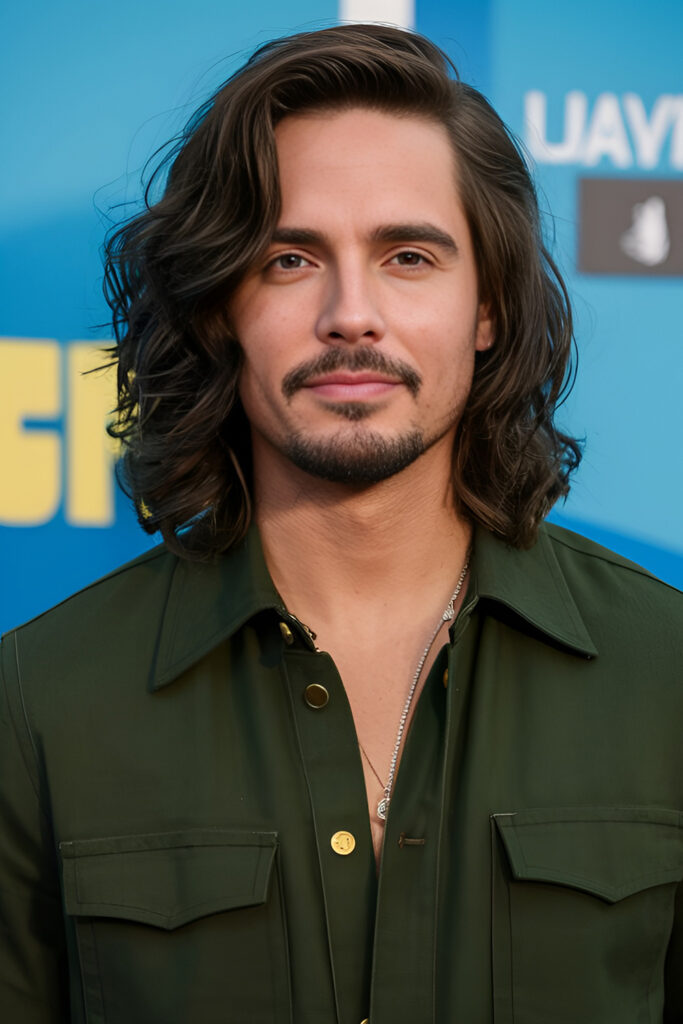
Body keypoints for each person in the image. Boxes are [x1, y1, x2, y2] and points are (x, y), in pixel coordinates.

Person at [1, 23, 681, 1024]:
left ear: (486, 308)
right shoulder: (37, 702)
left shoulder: (666, 675)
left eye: (407, 255)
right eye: (288, 259)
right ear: (219, 306)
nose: (350, 313)